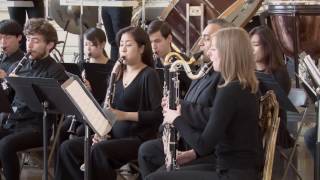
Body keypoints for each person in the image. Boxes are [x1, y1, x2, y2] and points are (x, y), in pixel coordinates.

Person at [146, 27, 261, 180]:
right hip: (233, 167)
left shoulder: (230, 91)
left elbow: (203, 144)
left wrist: (175, 118)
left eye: (213, 49)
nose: (210, 54)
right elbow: (219, 138)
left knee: (153, 179)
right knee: (161, 173)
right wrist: (193, 154)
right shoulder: (243, 85)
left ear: (227, 53)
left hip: (232, 173)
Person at [54, 26, 163, 180]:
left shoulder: (149, 75)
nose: (123, 49)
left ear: (141, 48)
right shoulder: (116, 74)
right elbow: (108, 110)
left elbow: (158, 115)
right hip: (113, 135)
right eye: (121, 44)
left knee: (99, 151)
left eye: (129, 44)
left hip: (137, 138)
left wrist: (124, 115)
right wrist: (102, 132)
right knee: (67, 148)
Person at [138, 19, 234, 178]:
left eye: (207, 38)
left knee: (156, 176)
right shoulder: (203, 71)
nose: (202, 44)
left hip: (208, 148)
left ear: (226, 41)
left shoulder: (226, 76)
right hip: (188, 139)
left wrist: (178, 108)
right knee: (146, 152)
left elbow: (216, 118)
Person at [0, 18, 68, 180]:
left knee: (5, 145)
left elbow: (58, 105)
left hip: (37, 128)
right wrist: (8, 84)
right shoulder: (19, 65)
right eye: (28, 39)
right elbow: (8, 99)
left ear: (50, 45)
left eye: (35, 41)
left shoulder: (55, 70)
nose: (29, 45)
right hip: (14, 123)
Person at [59, 27, 113, 143]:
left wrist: (92, 90)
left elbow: (111, 94)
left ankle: (84, 159)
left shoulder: (112, 67)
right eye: (86, 44)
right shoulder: (82, 65)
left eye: (92, 45)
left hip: (100, 111)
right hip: (83, 109)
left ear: (103, 44)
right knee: (62, 130)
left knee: (80, 131)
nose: (88, 48)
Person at [249, 26, 294, 149]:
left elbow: (272, 108)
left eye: (255, 45)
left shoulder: (280, 74)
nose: (251, 50)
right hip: (252, 121)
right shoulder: (247, 70)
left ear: (268, 46)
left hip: (273, 127)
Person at [147, 19, 191, 98]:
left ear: (169, 38)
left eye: (157, 41)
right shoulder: (150, 63)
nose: (153, 46)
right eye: (151, 42)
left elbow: (191, 93)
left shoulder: (183, 62)